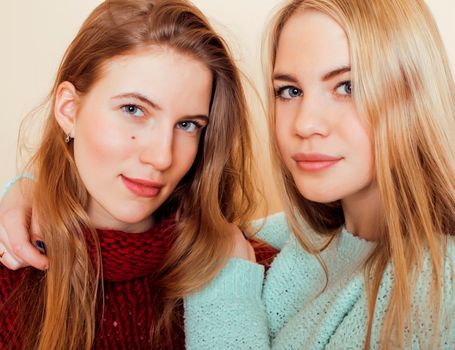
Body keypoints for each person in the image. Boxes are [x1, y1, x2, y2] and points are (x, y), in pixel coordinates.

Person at [0, 0, 277, 349]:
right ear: (68, 109)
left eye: (188, 125)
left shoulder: (249, 272)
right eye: (133, 109)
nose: (161, 157)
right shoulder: (11, 271)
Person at [183, 0, 455, 349]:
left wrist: (223, 292)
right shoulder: (292, 237)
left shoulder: (439, 283)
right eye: (290, 91)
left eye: (347, 86)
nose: (305, 123)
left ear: (412, 94)